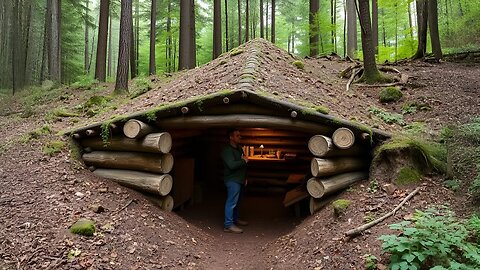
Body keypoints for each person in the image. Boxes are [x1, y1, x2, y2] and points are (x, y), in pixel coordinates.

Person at [221, 129, 249, 233]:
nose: (240, 137)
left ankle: (235, 219)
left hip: (240, 179)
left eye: (240, 135)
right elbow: (231, 165)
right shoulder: (227, 151)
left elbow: (243, 165)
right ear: (231, 137)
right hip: (232, 180)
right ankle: (228, 225)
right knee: (231, 202)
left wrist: (245, 177)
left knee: (237, 202)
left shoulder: (239, 149)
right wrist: (243, 161)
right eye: (237, 135)